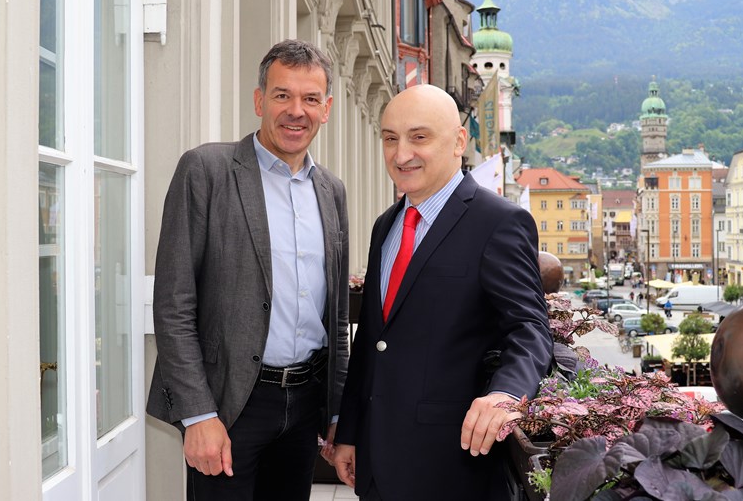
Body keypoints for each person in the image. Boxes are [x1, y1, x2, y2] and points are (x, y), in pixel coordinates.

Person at [146, 39, 350, 501]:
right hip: (230, 405)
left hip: (304, 405)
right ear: (260, 100)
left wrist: (338, 413)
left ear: (326, 108)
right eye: (282, 95)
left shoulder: (331, 191)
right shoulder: (207, 171)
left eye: (310, 98)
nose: (296, 111)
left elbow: (335, 318)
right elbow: (174, 304)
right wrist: (198, 415)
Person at [332, 84, 554, 500]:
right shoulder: (387, 225)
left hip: (451, 468)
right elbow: (374, 340)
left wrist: (506, 395)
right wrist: (350, 432)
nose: (401, 155)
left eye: (419, 137)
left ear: (458, 141)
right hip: (379, 463)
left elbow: (529, 329)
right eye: (390, 138)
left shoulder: (500, 222)